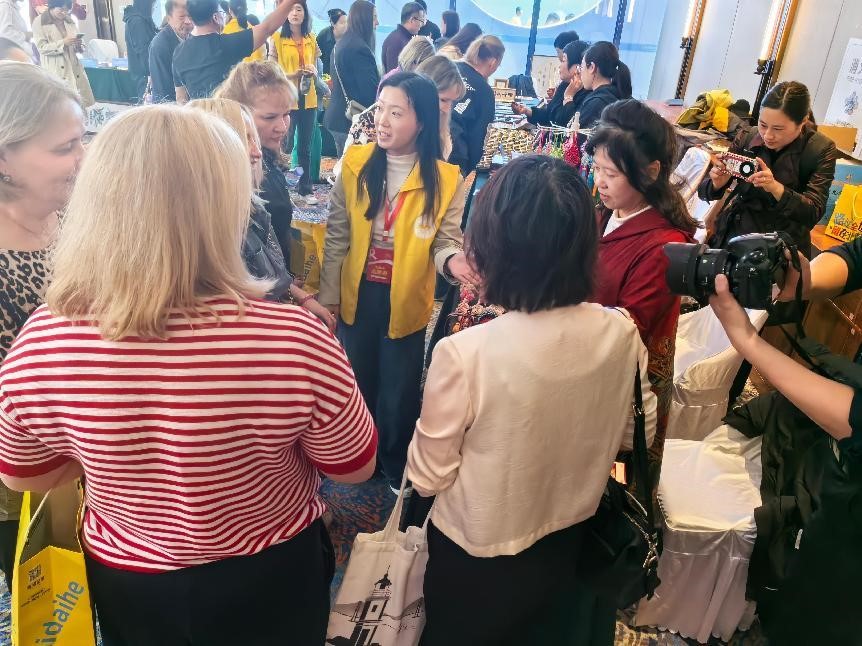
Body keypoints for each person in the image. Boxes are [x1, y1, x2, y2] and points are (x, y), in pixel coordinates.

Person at [0, 105, 377, 644]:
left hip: (131, 574)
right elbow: (355, 467)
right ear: (227, 206)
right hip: (271, 564)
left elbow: (24, 476)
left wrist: (111, 458)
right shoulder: (293, 337)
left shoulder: (43, 339)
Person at [407, 154, 657, 645]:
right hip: (575, 536)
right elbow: (635, 433)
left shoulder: (466, 352)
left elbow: (427, 476)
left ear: (494, 246)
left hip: (478, 550)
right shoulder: (621, 331)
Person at [320, 73, 476, 493]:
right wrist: (329, 297)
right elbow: (337, 235)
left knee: (400, 388)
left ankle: (394, 463)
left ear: (421, 121)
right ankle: (361, 455)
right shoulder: (355, 164)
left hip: (406, 296)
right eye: (380, 110)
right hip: (358, 292)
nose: (382, 121)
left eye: (396, 112)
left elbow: (444, 241)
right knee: (357, 379)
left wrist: (454, 261)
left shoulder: (445, 179)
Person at [0, 61, 84, 596]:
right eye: (64, 148)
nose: (83, 158)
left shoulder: (77, 215)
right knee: (47, 594)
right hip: (23, 468)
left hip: (97, 447)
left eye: (82, 140)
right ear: (4, 157)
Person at [588, 99, 698, 467]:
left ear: (650, 172)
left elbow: (625, 330)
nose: (599, 181)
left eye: (611, 173)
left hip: (625, 386)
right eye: (596, 168)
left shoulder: (665, 246)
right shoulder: (608, 212)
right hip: (588, 363)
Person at [188, 96, 336, 329]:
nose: (257, 152)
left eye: (254, 138)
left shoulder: (247, 203)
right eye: (245, 139)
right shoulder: (204, 227)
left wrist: (298, 295)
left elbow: (268, 270)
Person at [698, 81, 837, 257]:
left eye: (778, 128)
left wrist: (775, 188)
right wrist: (716, 183)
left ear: (802, 122)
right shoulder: (748, 136)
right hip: (736, 236)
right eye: (763, 124)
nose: (768, 135)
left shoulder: (819, 149)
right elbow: (704, 193)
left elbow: (813, 213)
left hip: (781, 249)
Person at [216, 60, 298, 270]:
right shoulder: (230, 174)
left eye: (287, 114)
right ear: (239, 115)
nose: (282, 127)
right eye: (270, 117)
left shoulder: (266, 157)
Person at [341, 54, 465, 164]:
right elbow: (348, 170)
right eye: (443, 100)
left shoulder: (442, 126)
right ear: (424, 91)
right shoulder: (368, 123)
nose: (447, 108)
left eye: (452, 101)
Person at [171, 0, 293, 102]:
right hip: (228, 117)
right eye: (222, 13)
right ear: (215, 17)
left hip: (199, 119)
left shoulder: (178, 52)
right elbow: (267, 28)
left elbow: (181, 98)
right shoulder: (227, 45)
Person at [270, 0, 320, 202]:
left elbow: (316, 66)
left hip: (308, 98)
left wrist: (313, 71)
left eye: (298, 9)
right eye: (290, 10)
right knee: (285, 146)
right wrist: (293, 74)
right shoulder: (277, 38)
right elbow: (273, 72)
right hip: (287, 99)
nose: (295, 13)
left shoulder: (311, 38)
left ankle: (305, 189)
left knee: (305, 148)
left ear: (304, 13)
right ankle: (280, 188)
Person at [324, 0, 378, 156]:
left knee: (345, 165)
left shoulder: (341, 44)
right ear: (364, 19)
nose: (377, 22)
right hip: (350, 121)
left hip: (338, 117)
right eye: (374, 17)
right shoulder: (359, 48)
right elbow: (369, 91)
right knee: (353, 167)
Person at [450, 35, 504, 175]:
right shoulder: (484, 91)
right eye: (498, 65)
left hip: (423, 148)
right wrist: (469, 169)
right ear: (493, 62)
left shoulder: (448, 68)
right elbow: (479, 140)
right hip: (455, 156)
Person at [512, 39, 588, 126]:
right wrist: (527, 111)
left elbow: (563, 124)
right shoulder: (564, 85)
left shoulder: (586, 94)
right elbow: (549, 116)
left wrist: (568, 97)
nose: (560, 66)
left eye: (563, 61)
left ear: (577, 67)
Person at [32, 0, 94, 106]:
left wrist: (79, 45)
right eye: (61, 9)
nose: (64, 13)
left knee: (80, 103)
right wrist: (63, 43)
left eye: (67, 10)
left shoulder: (69, 20)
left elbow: (81, 45)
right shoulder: (39, 21)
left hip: (74, 67)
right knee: (62, 104)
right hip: (55, 68)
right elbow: (42, 48)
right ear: (52, 6)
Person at [577, 40, 632, 128]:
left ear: (592, 67)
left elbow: (576, 135)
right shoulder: (621, 96)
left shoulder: (595, 104)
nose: (580, 72)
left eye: (581, 67)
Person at [148, 0, 192, 102]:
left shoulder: (191, 37)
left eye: (190, 16)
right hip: (171, 106)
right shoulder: (159, 46)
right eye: (181, 17)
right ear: (168, 18)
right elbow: (162, 91)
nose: (188, 21)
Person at [124, 0, 157, 100]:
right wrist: (153, 71)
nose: (153, 8)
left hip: (145, 75)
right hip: (145, 76)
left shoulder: (142, 20)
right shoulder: (137, 22)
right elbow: (143, 52)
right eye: (153, 5)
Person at [381, 1, 423, 73]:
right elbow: (394, 75)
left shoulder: (403, 37)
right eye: (421, 20)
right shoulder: (396, 41)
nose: (421, 24)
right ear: (412, 20)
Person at [316, 7, 345, 75]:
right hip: (326, 75)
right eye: (342, 23)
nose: (346, 25)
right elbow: (316, 58)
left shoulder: (350, 36)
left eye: (347, 22)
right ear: (332, 23)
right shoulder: (323, 36)